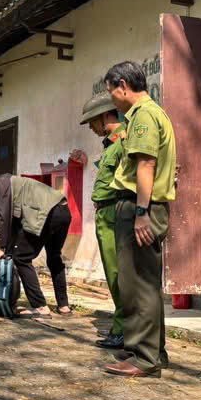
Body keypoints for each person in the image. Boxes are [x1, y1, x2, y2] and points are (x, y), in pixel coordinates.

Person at [103, 61, 176, 378]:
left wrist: (142, 213)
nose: (112, 101)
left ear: (122, 85)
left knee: (136, 283)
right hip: (142, 206)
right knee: (143, 280)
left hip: (138, 206)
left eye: (111, 93)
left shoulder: (144, 115)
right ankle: (151, 351)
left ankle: (143, 357)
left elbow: (145, 165)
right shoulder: (152, 113)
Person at [0, 173, 71, 317]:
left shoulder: (0, 183)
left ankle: (40, 307)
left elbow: (4, 217)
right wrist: (8, 251)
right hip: (63, 212)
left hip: (47, 214)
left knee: (21, 258)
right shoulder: (13, 187)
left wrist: (1, 248)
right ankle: (64, 306)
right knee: (54, 258)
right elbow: (15, 225)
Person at [79, 94, 126, 350]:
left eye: (92, 121)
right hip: (105, 214)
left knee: (118, 274)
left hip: (114, 212)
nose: (90, 127)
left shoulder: (123, 142)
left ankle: (124, 330)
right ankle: (121, 327)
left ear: (105, 116)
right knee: (112, 273)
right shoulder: (110, 145)